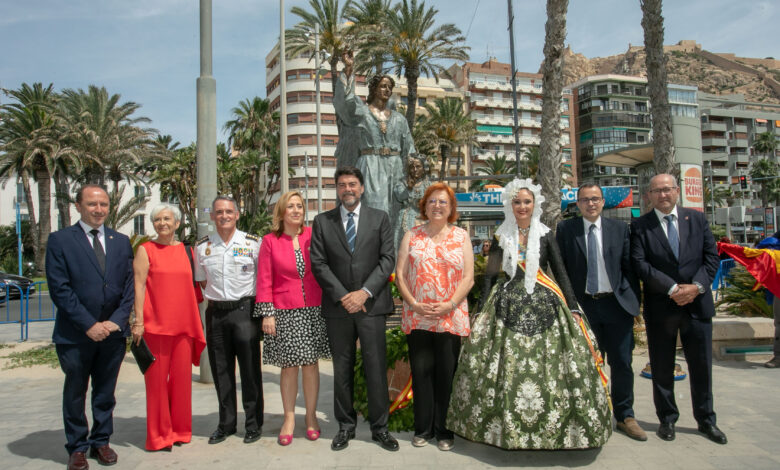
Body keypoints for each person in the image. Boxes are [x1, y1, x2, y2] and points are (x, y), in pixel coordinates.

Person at [446, 178, 612, 450]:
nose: (522, 206)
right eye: (517, 202)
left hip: (545, 300)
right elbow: (489, 276)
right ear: (510, 205)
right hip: (506, 302)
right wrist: (480, 310)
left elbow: (559, 271)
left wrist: (571, 306)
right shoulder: (501, 235)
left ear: (534, 204)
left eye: (527, 202)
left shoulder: (546, 234)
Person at [630, 173, 726, 444]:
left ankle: (707, 421)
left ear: (677, 191)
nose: (663, 195)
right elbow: (641, 264)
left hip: (697, 305)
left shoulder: (696, 219)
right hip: (662, 306)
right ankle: (667, 420)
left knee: (701, 366)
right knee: (661, 367)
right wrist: (672, 289)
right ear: (648, 195)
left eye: (667, 189)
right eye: (657, 191)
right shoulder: (640, 226)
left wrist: (696, 287)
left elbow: (711, 258)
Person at [310, 166, 399, 452]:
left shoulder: (380, 218)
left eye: (352, 184)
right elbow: (319, 263)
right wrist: (343, 296)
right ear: (336, 189)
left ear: (361, 188)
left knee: (375, 368)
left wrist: (363, 293)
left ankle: (380, 428)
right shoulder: (322, 222)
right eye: (342, 185)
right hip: (339, 309)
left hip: (371, 305)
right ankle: (345, 427)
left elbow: (387, 259)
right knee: (342, 370)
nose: (347, 189)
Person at [46, 185, 134, 470]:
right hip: (75, 335)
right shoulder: (60, 241)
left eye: (104, 204)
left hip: (112, 334)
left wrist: (116, 321)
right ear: (79, 206)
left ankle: (101, 441)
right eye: (92, 204)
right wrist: (89, 325)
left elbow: (128, 289)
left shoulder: (120, 241)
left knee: (105, 392)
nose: (99, 210)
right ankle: (77, 447)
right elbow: (60, 290)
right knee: (75, 392)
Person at [556, 183, 646, 441]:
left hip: (616, 306)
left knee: (622, 363)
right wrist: (569, 305)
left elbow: (630, 268)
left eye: (595, 199)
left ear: (603, 201)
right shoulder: (566, 229)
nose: (590, 204)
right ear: (578, 204)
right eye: (585, 200)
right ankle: (590, 413)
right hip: (584, 309)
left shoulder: (620, 229)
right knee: (587, 364)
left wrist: (633, 304)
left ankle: (625, 416)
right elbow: (561, 271)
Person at [395, 183, 474, 451]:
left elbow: (469, 278)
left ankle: (444, 431)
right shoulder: (411, 235)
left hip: (450, 316)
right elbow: (401, 274)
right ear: (424, 206)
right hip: (418, 316)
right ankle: (423, 429)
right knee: (421, 373)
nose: (437, 206)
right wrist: (414, 303)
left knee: (446, 374)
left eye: (443, 202)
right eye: (432, 201)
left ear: (451, 208)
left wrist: (450, 304)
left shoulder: (461, 236)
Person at [255, 191, 330, 446]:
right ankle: (289, 418)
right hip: (285, 310)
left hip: (314, 309)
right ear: (282, 212)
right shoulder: (269, 241)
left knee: (310, 364)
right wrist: (267, 313)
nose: (296, 210)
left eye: (300, 206)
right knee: (289, 367)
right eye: (291, 206)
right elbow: (264, 279)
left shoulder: (313, 236)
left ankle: (310, 417)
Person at [131, 204, 207, 451]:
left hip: (184, 326)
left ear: (177, 224)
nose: (162, 223)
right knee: (156, 384)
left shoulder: (189, 252)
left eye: (167, 219)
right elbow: (139, 286)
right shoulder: (145, 250)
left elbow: (200, 284)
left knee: (181, 382)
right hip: (155, 327)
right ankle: (158, 436)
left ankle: (180, 431)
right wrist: (138, 322)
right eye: (157, 219)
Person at [194, 196, 263, 445]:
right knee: (221, 371)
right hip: (216, 314)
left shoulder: (253, 243)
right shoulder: (202, 247)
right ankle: (226, 424)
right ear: (212, 216)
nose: (224, 215)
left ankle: (253, 425)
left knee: (250, 371)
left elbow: (262, 279)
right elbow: (202, 281)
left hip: (245, 311)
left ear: (237, 214)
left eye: (228, 211)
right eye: (219, 212)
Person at [334, 50, 415, 226]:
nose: (386, 90)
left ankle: (393, 252)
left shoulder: (399, 119)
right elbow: (346, 105)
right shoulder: (362, 112)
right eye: (383, 86)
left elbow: (409, 149)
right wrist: (348, 69)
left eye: (389, 87)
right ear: (374, 89)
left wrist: (412, 173)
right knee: (374, 211)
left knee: (397, 214)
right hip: (370, 167)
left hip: (396, 168)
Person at [395, 156, 431, 251]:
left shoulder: (428, 184)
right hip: (407, 218)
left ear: (423, 168)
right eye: (412, 167)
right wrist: (409, 188)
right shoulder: (403, 182)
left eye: (418, 166)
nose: (415, 170)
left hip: (424, 219)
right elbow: (399, 196)